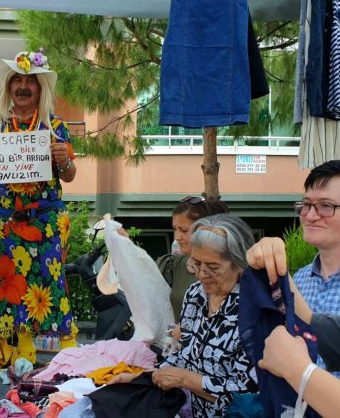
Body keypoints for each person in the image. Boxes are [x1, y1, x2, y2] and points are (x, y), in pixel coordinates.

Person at [0, 49, 77, 364]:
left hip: (44, 219)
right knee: (8, 284)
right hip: (3, 220)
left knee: (48, 279)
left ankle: (66, 345)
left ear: (40, 89)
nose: (23, 86)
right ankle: (22, 344)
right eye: (17, 80)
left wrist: (64, 160)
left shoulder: (55, 125)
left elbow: (69, 176)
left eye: (30, 81)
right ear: (9, 88)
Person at [110, 214, 258, 416]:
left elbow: (246, 392)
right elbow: (179, 351)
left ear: (239, 265)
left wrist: (185, 379)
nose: (202, 274)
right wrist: (142, 377)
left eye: (213, 267)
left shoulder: (256, 310)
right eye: (196, 264)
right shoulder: (196, 294)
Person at [246, 159, 340, 375]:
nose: (310, 215)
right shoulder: (301, 278)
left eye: (326, 206)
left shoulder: (290, 281)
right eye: (306, 204)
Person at [156, 196, 229, 323]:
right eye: (175, 229)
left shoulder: (228, 269)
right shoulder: (175, 265)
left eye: (184, 230)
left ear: (205, 229)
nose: (177, 237)